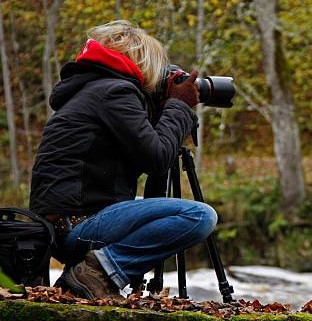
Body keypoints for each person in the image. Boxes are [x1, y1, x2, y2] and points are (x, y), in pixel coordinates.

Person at [29, 21, 217, 300]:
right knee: (199, 216)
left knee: (172, 211)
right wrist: (178, 106)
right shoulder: (115, 92)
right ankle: (98, 272)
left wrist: (163, 111)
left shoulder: (92, 91)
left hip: (61, 227)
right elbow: (157, 159)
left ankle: (97, 270)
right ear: (143, 62)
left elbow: (148, 156)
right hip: (78, 226)